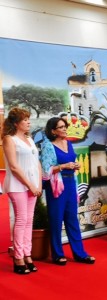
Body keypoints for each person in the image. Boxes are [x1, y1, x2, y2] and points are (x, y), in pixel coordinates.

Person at [40, 117, 95, 265]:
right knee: (56, 220)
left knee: (73, 220)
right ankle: (57, 255)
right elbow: (45, 171)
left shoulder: (68, 143)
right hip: (57, 186)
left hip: (71, 183)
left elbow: (71, 161)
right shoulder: (48, 146)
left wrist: (74, 165)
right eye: (61, 127)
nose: (64, 129)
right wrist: (63, 166)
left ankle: (80, 253)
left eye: (65, 126)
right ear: (53, 131)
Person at [2, 107, 42, 274]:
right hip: (18, 185)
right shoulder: (9, 139)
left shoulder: (29, 139)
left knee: (29, 221)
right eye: (25, 120)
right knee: (21, 220)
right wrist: (30, 185)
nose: (28, 122)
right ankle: (18, 257)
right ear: (16, 123)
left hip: (33, 185)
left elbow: (37, 163)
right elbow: (14, 166)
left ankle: (27, 255)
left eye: (28, 119)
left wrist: (38, 184)